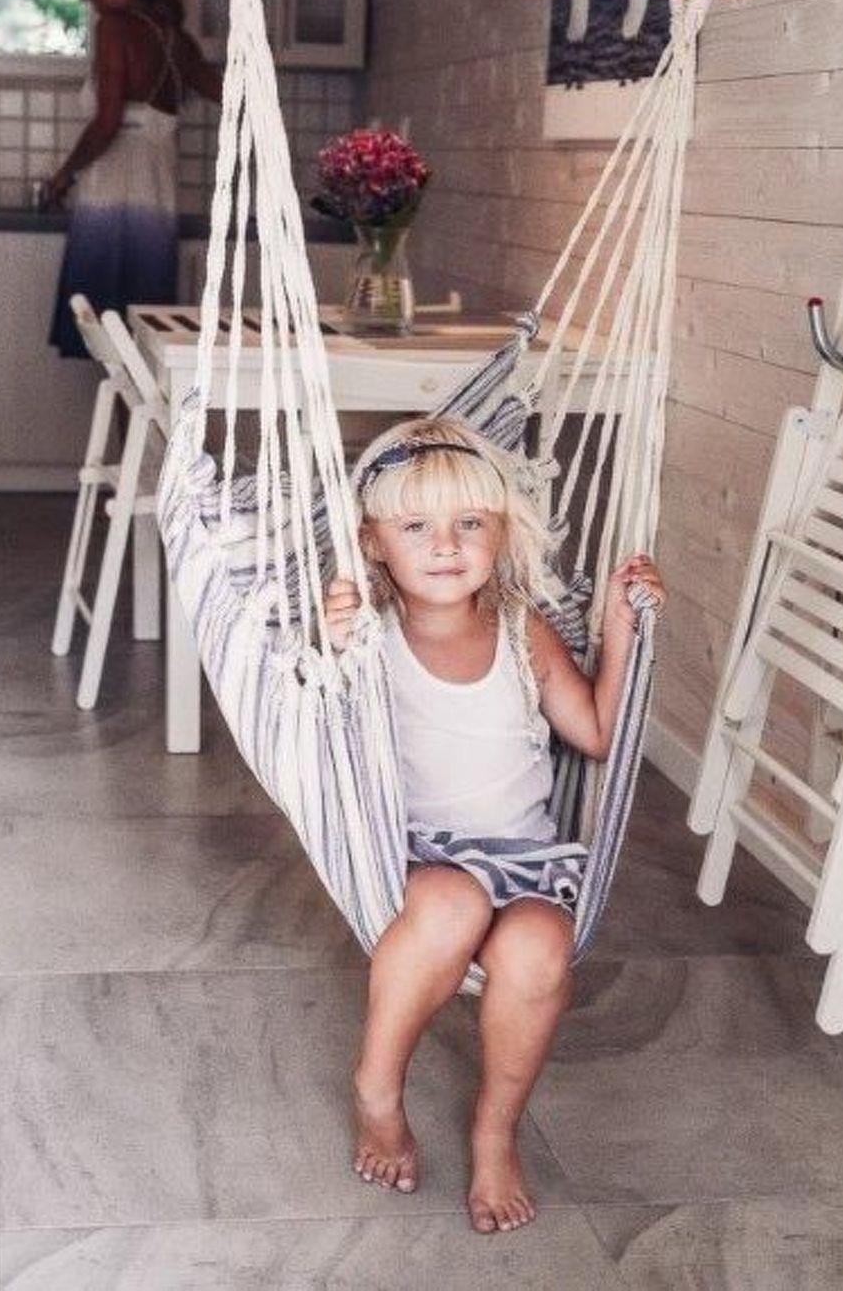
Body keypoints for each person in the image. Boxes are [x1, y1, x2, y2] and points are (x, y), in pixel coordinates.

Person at [320, 417, 665, 1233]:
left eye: (470, 522)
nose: (446, 545)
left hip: (528, 861)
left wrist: (621, 629)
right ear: (373, 544)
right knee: (453, 904)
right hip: (419, 858)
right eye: (416, 527)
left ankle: (495, 1130)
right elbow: (321, 721)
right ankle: (377, 1088)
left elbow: (598, 733)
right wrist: (330, 641)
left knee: (540, 947)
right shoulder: (369, 637)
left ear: (500, 533)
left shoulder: (520, 630)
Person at [43, 0, 221, 358]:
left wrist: (64, 175)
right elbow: (227, 92)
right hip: (157, 195)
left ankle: (122, 407)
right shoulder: (176, 38)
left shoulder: (115, 28)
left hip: (112, 191)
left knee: (105, 334)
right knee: (143, 334)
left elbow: (107, 124)